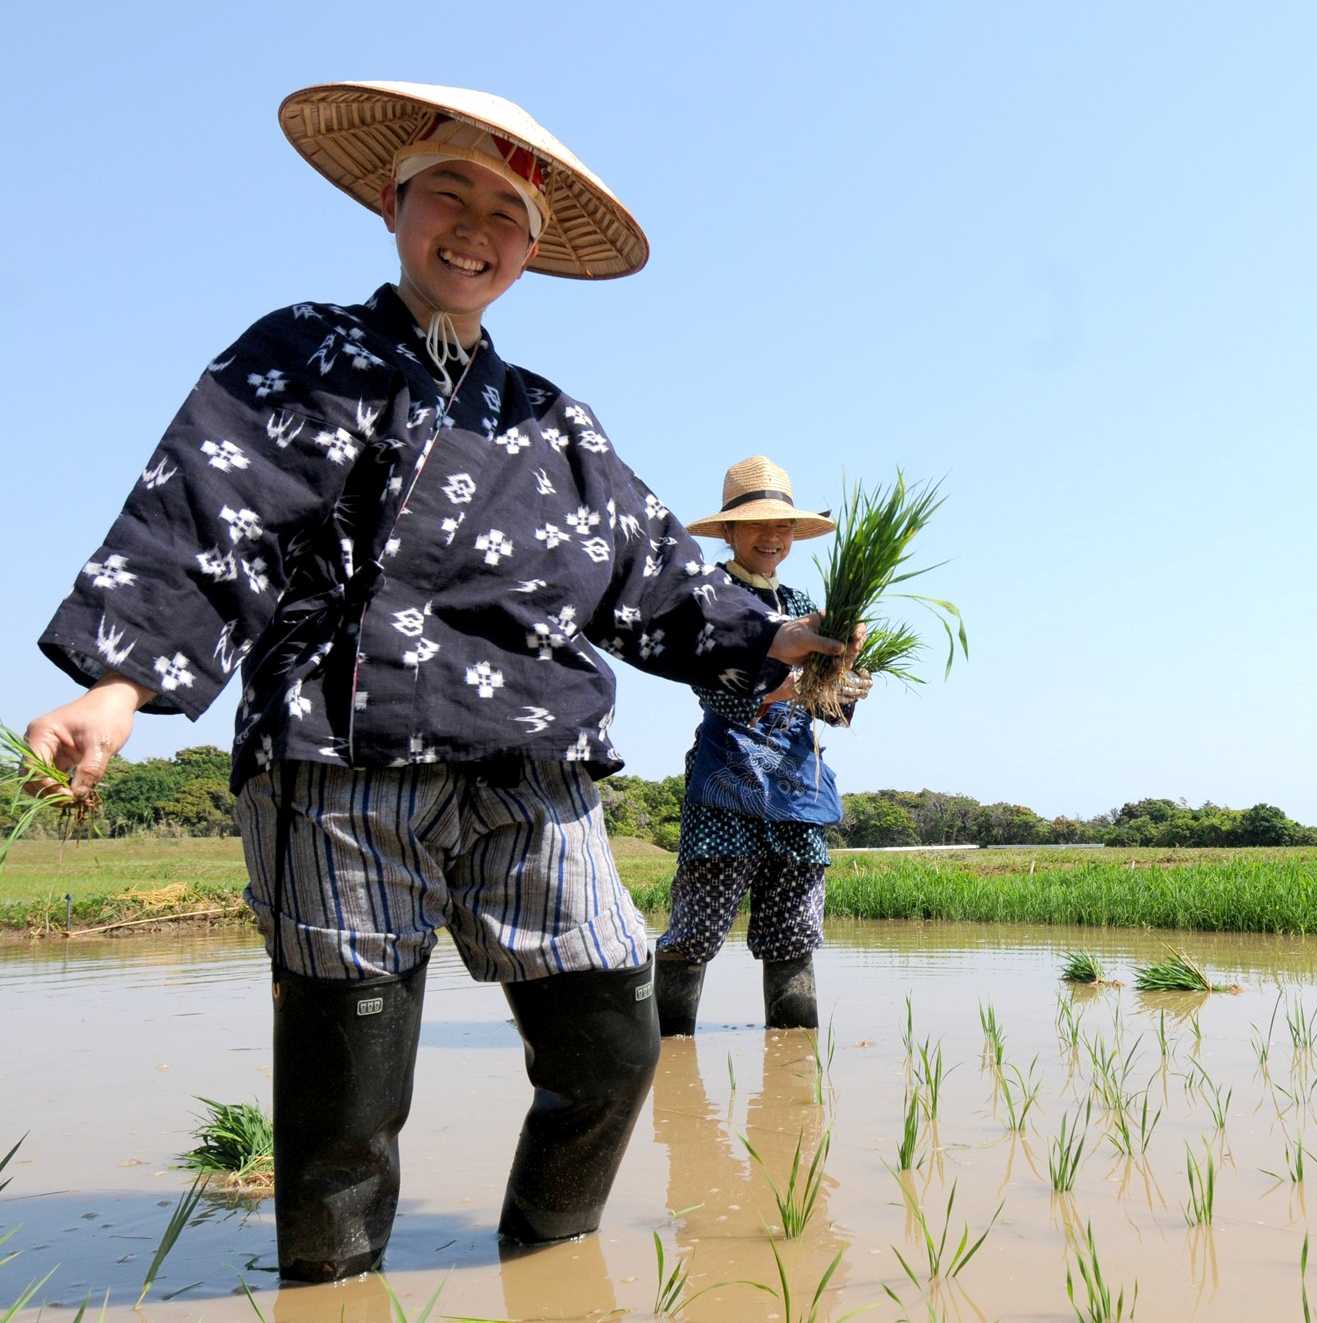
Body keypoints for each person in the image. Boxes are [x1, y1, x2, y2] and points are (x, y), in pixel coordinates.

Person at [24, 83, 849, 1282]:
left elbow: (659, 584)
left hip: (535, 764)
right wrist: (118, 685)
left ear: (530, 247)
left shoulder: (556, 423)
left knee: (614, 1039)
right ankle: (333, 1286)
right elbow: (211, 511)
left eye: (506, 211)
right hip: (340, 759)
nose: (474, 227)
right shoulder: (303, 355)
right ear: (394, 203)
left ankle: (548, 1269)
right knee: (352, 1092)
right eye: (446, 194)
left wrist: (789, 639)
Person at [654, 457, 871, 1035]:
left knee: (793, 931)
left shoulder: (804, 607)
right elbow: (715, 690)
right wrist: (786, 689)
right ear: (728, 531)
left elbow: (830, 712)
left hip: (797, 785)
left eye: (783, 528)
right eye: (757, 525)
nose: (772, 538)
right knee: (696, 928)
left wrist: (846, 690)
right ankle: (669, 1052)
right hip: (728, 780)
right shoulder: (710, 598)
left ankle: (793, 1073)